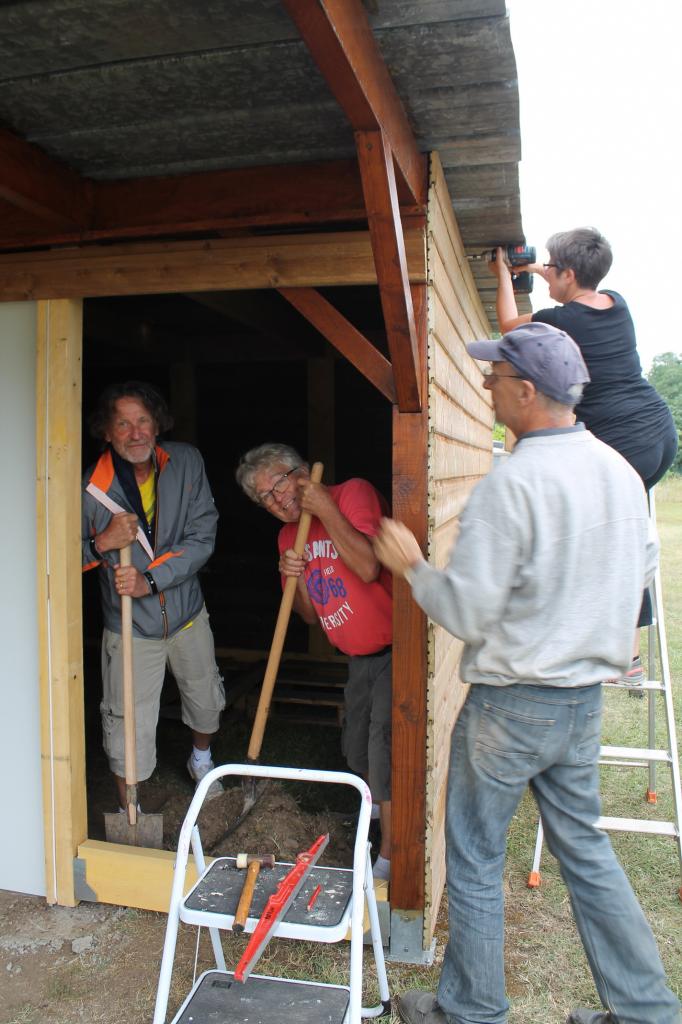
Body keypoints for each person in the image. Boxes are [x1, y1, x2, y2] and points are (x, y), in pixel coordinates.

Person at [373, 323, 680, 1024]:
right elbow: (642, 578)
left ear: (526, 390)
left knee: (476, 854)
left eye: (494, 377)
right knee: (587, 852)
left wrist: (412, 568)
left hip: (511, 706)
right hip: (581, 704)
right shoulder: (621, 474)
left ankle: (471, 1010)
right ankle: (647, 1013)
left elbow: (471, 613)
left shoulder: (511, 484)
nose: (485, 387)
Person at [490, 227, 678, 683]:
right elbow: (573, 286)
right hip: (657, 430)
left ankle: (622, 655)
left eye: (551, 267)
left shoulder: (562, 320)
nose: (546, 274)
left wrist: (502, 273)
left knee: (604, 537)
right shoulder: (616, 302)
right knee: (627, 532)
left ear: (568, 274)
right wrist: (535, 267)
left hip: (621, 440)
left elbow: (509, 325)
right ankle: (627, 652)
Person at [236, 443, 393, 880]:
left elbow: (366, 567)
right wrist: (295, 578)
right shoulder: (289, 536)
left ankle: (390, 860)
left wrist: (325, 507)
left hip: (395, 649)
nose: (277, 498)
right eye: (264, 496)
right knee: (357, 749)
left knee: (383, 755)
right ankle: (375, 817)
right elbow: (308, 615)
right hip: (357, 657)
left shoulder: (350, 495)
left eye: (280, 482)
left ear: (303, 471)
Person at [82, 381, 226, 810]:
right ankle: (132, 809)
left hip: (186, 616)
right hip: (130, 629)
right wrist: (101, 542)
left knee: (205, 701)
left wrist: (152, 580)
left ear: (157, 424)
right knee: (128, 723)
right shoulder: (90, 487)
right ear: (106, 431)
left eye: (143, 420)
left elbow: (203, 536)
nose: (135, 432)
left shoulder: (185, 462)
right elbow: (56, 559)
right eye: (122, 423)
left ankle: (201, 759)